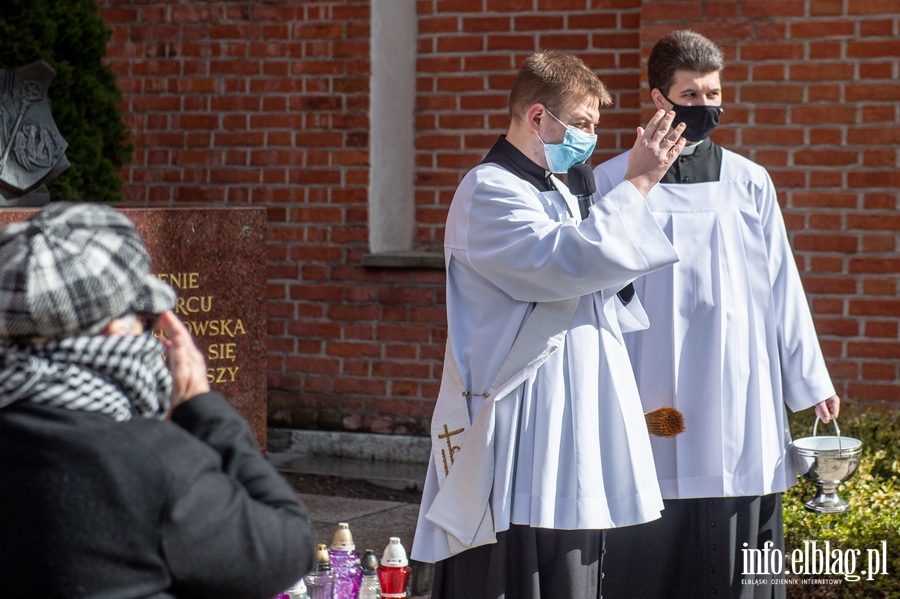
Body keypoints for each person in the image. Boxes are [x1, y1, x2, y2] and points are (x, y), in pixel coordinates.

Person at [411, 50, 687, 599]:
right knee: (520, 564)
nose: (588, 138)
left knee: (572, 562)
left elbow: (597, 280)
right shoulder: (488, 190)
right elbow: (559, 265)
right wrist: (634, 186)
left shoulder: (558, 188)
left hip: (573, 411)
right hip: (523, 416)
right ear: (538, 117)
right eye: (581, 124)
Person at [593, 30, 841, 599]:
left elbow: (783, 283)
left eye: (713, 94)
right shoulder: (614, 182)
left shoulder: (750, 182)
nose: (705, 107)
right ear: (660, 99)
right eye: (691, 95)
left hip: (738, 380)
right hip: (649, 375)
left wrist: (810, 381)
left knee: (735, 532)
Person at [0, 203, 316, 598]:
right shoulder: (150, 461)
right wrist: (203, 408)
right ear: (116, 328)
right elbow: (290, 545)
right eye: (145, 322)